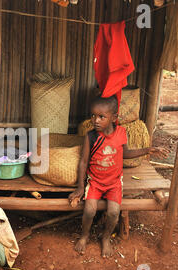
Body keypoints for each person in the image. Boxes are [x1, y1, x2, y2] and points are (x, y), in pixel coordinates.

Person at [68, 95, 169, 258]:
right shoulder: (91, 136)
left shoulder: (121, 133)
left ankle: (106, 237)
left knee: (114, 212)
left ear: (114, 117)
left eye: (101, 117)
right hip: (95, 182)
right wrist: (81, 187)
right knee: (89, 210)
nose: (96, 120)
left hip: (114, 183)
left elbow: (126, 153)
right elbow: (83, 162)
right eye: (93, 115)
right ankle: (85, 235)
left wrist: (147, 150)